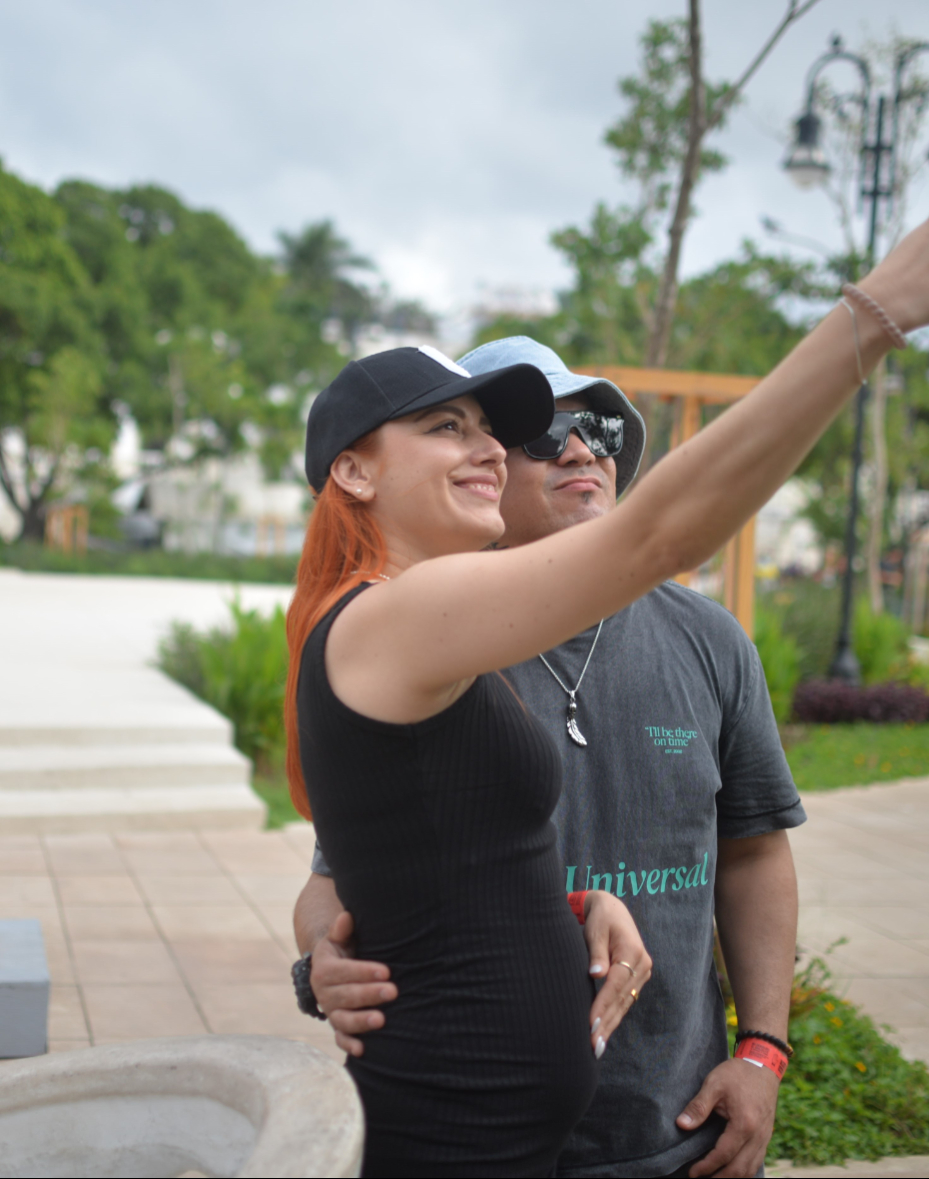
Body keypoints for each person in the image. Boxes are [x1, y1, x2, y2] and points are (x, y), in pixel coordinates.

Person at [287, 174, 929, 1176]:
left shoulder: (459, 634)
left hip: (642, 1128)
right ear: (355, 471)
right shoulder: (399, 618)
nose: (557, 449)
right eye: (454, 428)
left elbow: (434, 859)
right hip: (470, 1138)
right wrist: (876, 310)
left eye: (486, 428)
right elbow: (661, 530)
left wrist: (560, 912)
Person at [296, 337, 805, 1179]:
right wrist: (324, 956)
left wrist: (762, 1052)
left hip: (676, 1126)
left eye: (599, 428)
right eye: (542, 433)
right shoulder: (426, 633)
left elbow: (754, 851)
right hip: (479, 1128)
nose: (578, 448)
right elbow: (337, 880)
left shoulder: (708, 640)